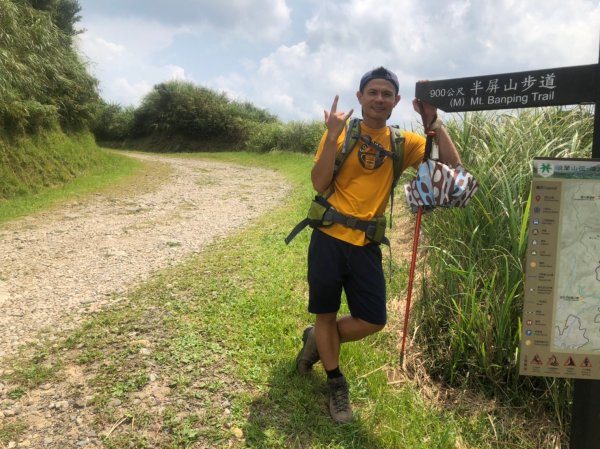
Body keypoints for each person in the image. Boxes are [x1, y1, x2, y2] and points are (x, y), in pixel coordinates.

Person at [295, 66, 462, 423]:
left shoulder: (404, 142)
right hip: (328, 237)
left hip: (366, 243)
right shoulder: (342, 132)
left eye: (387, 94)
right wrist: (331, 135)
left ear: (397, 101)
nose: (379, 99)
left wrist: (434, 122)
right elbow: (319, 182)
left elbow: (452, 168)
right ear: (360, 97)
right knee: (325, 312)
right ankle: (336, 382)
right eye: (373, 92)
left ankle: (317, 341)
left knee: (373, 319)